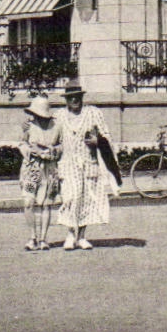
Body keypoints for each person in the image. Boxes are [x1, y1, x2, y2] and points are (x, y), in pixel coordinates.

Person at [55, 79, 120, 250]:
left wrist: (97, 141)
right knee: (70, 198)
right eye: (70, 98)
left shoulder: (93, 113)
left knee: (86, 198)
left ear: (81, 97)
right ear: (66, 100)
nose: (74, 100)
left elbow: (106, 135)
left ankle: (82, 236)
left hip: (89, 163)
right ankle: (70, 234)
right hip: (67, 164)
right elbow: (51, 138)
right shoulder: (59, 116)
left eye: (77, 97)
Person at [18, 94, 63, 251]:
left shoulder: (57, 126)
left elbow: (61, 146)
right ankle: (33, 237)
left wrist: (52, 151)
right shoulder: (29, 126)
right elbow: (22, 144)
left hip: (49, 170)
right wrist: (31, 152)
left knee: (46, 204)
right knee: (28, 202)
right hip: (31, 170)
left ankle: (43, 239)